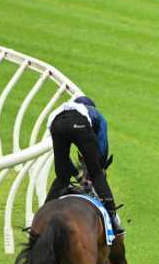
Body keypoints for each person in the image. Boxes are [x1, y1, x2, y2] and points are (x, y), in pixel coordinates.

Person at [45, 95, 124, 235]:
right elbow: (102, 151)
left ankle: (42, 215)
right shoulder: (96, 115)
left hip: (57, 124)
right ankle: (113, 218)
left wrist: (78, 176)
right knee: (97, 173)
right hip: (79, 124)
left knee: (62, 177)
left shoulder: (60, 111)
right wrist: (95, 171)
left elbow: (64, 160)